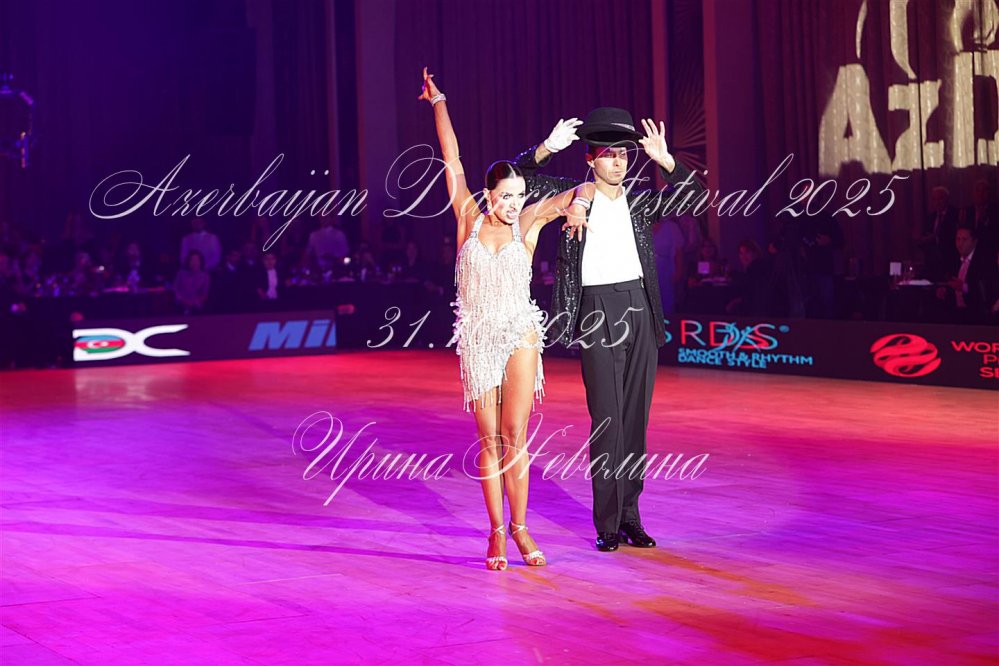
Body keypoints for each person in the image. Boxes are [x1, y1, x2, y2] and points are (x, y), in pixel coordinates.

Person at [513, 106, 705, 552]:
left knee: (635, 419)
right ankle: (607, 522)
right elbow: (517, 182)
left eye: (624, 154)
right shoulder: (571, 195)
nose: (618, 161)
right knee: (608, 419)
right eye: (608, 154)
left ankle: (631, 516)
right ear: (590, 159)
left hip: (640, 307)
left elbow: (694, 200)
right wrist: (545, 149)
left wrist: (667, 161)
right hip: (596, 309)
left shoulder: (640, 202)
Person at [421, 68, 590, 571]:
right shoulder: (467, 219)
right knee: (489, 440)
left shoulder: (529, 222)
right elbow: (452, 158)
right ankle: (496, 531)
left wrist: (579, 208)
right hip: (477, 339)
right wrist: (439, 102)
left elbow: (580, 189)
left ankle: (521, 526)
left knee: (515, 435)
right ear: (489, 195)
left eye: (520, 196)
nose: (515, 204)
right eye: (507, 196)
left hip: (520, 332)